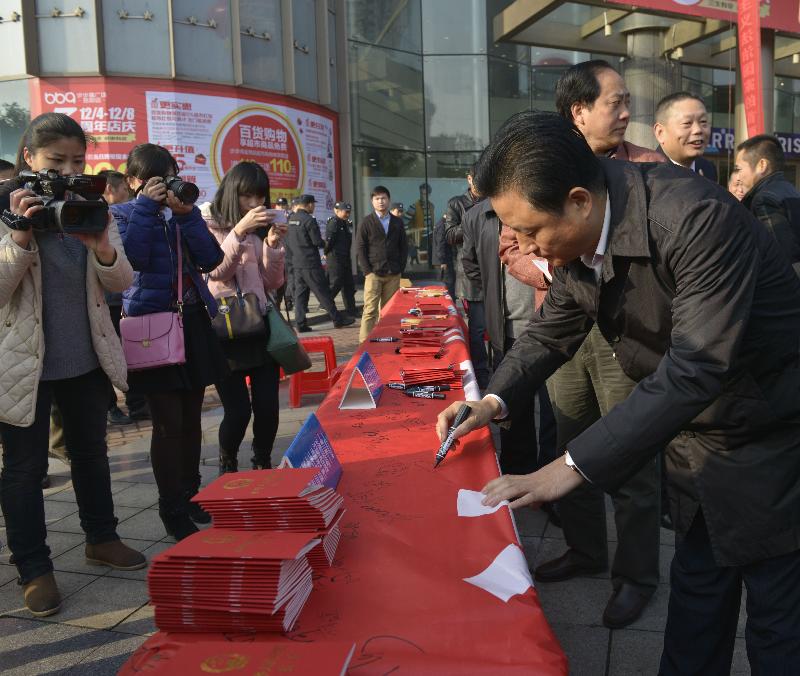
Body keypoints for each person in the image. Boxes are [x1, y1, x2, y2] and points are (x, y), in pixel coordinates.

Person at [437, 111, 800, 675]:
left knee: (777, 625)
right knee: (696, 604)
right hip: (698, 443)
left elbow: (695, 367)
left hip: (767, 435)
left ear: (579, 202)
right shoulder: (579, 239)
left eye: (531, 231)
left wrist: (569, 466)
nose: (527, 250)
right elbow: (551, 331)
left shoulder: (695, 219)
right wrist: (490, 401)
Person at [499, 60, 665, 629]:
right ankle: (586, 548)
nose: (625, 113)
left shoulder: (646, 167)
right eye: (615, 103)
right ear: (579, 111)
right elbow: (511, 245)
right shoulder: (537, 165)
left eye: (627, 103)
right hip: (564, 325)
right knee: (569, 441)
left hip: (626, 329)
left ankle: (637, 575)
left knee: (630, 451)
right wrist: (557, 266)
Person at [0, 112, 146, 618]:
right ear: (29, 157)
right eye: (56, 160)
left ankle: (101, 538)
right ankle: (34, 568)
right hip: (23, 363)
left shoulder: (90, 205)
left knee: (90, 454)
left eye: (77, 160)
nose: (67, 170)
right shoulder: (5, 206)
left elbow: (120, 281)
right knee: (25, 469)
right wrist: (19, 235)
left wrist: (102, 247)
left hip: (85, 356)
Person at [112, 143, 227, 541]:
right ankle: (171, 506)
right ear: (133, 181)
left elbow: (211, 259)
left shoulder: (182, 214)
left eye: (170, 177)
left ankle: (191, 493)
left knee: (192, 417)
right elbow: (133, 262)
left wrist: (188, 216)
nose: (165, 186)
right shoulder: (122, 214)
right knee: (167, 424)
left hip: (191, 319)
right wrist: (146, 208)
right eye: (154, 179)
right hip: (152, 325)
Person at [461, 199, 557, 483]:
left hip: (553, 324)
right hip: (508, 327)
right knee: (513, 410)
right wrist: (493, 294)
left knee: (555, 414)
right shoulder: (479, 215)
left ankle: (550, 481)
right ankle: (517, 476)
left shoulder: (548, 197)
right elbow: (471, 264)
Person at [201, 161, 286, 474]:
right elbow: (217, 271)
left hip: (258, 326)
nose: (255, 203)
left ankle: (262, 461)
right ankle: (228, 462)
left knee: (268, 407)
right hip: (224, 331)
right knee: (237, 411)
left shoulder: (256, 232)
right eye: (247, 196)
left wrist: (273, 246)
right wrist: (238, 232)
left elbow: (271, 282)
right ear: (231, 192)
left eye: (260, 197)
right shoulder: (205, 225)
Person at [97, 169, 150, 425]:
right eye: (123, 190)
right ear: (111, 188)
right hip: (106, 300)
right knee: (106, 354)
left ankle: (137, 403)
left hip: (124, 296)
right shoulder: (95, 216)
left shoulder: (128, 215)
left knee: (130, 350)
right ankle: (111, 407)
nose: (127, 195)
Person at [445, 168, 489, 389]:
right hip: (470, 274)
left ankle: (499, 368)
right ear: (469, 179)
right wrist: (473, 221)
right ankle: (481, 374)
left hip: (494, 271)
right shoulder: (456, 203)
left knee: (498, 328)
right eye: (476, 178)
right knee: (478, 329)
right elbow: (450, 235)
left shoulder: (493, 200)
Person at [285, 194, 354, 332]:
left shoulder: (291, 220)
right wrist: (325, 244)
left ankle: (300, 323)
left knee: (300, 295)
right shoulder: (309, 220)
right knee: (323, 292)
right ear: (309, 204)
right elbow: (317, 242)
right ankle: (338, 320)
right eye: (313, 204)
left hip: (297, 263)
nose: (314, 207)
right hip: (310, 263)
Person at [733, 134, 800, 275]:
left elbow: (780, 256)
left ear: (762, 165)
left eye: (739, 169)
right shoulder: (791, 190)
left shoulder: (763, 200)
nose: (738, 177)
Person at [356, 185, 408, 342]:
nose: (381, 201)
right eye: (377, 198)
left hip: (393, 273)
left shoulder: (397, 222)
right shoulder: (366, 222)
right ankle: (364, 342)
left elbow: (403, 246)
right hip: (374, 273)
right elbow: (360, 247)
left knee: (389, 311)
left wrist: (400, 268)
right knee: (370, 309)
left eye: (383, 198)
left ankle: (386, 340)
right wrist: (367, 271)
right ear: (372, 201)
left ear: (388, 200)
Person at [653, 91, 717, 182]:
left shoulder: (708, 169)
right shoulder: (647, 175)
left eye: (703, 121)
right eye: (687, 123)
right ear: (660, 132)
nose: (698, 130)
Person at [324, 201, 357, 317]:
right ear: (337, 211)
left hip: (345, 257)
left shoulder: (348, 223)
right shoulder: (334, 223)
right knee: (336, 283)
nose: (347, 214)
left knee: (348, 285)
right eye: (345, 212)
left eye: (349, 212)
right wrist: (325, 253)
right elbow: (329, 241)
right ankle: (325, 303)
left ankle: (351, 310)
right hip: (335, 258)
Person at [432, 213, 455, 299]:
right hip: (443, 262)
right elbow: (440, 244)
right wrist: (443, 261)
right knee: (448, 285)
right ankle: (449, 304)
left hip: (441, 260)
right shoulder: (442, 225)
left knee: (444, 285)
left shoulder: (440, 224)